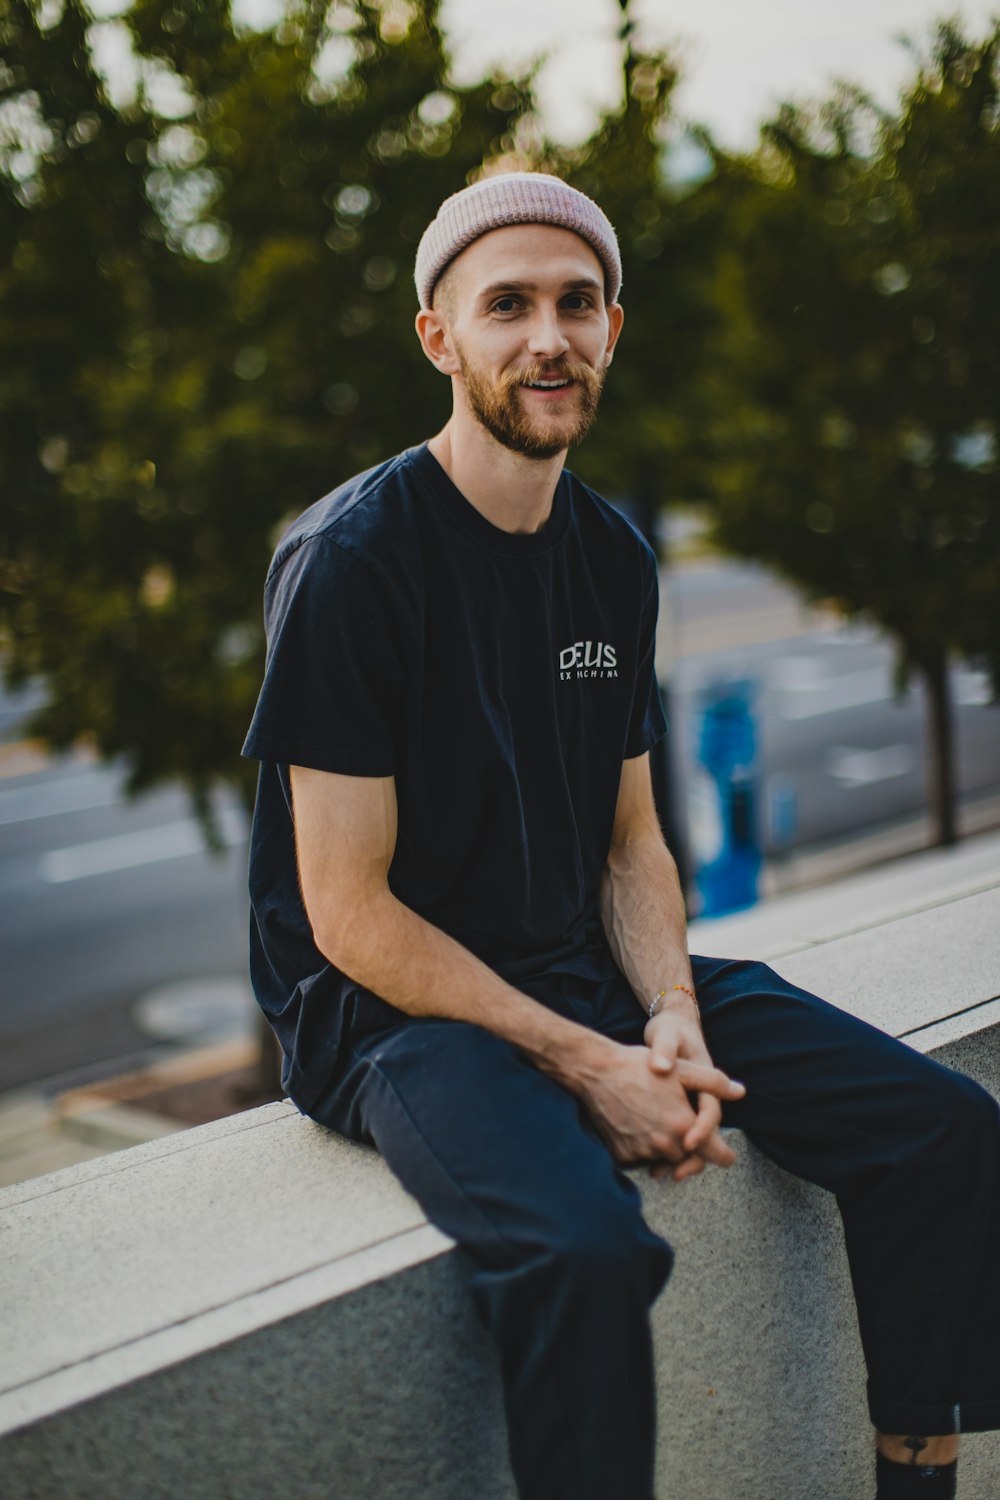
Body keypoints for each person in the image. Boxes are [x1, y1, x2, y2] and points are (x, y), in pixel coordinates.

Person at [241, 172, 999, 1500]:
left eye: (576, 303)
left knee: (943, 1129)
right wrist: (592, 1066)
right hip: (392, 1020)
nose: (549, 336)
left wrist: (671, 1021)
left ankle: (917, 1473)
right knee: (586, 1253)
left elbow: (632, 842)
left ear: (612, 330)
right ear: (440, 337)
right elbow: (346, 913)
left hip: (580, 964)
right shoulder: (354, 559)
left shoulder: (611, 555)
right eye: (508, 305)